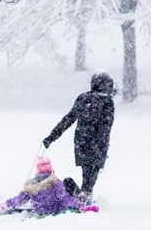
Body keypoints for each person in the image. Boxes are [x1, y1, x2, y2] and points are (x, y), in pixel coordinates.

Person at [43, 72, 115, 200]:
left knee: (87, 170)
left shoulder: (84, 98)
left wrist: (52, 136)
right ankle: (85, 194)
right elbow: (107, 125)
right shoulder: (107, 102)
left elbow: (69, 119)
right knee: (92, 171)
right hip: (98, 143)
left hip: (82, 141)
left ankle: (83, 193)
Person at [0, 155, 89, 216]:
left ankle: (2, 207)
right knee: (68, 181)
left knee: (66, 183)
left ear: (38, 170)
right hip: (55, 209)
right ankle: (81, 198)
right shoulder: (55, 183)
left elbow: (19, 200)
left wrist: (3, 206)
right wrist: (80, 206)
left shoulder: (31, 187)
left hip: (41, 210)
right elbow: (64, 199)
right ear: (50, 168)